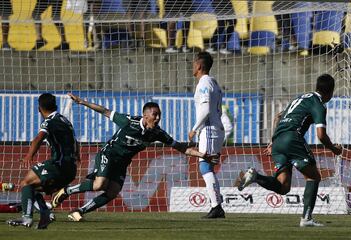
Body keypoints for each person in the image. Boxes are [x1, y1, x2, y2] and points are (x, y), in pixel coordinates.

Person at [51, 93, 216, 221]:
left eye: (159, 115)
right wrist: (82, 102)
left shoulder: (157, 133)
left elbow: (180, 147)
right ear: (145, 116)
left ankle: (79, 211)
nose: (157, 118)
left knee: (113, 191)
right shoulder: (129, 122)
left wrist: (202, 155)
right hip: (109, 154)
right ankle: (66, 190)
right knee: (99, 184)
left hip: (122, 163)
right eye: (155, 115)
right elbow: (105, 111)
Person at [238, 74, 342, 227]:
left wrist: (273, 142)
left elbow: (278, 117)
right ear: (331, 91)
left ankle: (255, 177)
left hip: (278, 140)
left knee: (283, 187)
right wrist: (334, 149)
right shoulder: (318, 104)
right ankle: (306, 219)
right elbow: (321, 135)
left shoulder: (300, 98)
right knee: (313, 177)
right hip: (292, 139)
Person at [7, 93, 79, 229]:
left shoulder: (48, 122)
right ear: (55, 105)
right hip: (71, 170)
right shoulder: (65, 120)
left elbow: (39, 137)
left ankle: (27, 218)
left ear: (39, 108)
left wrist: (29, 155)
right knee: (32, 189)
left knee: (25, 183)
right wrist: (77, 155)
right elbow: (75, 140)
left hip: (58, 166)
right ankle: (45, 214)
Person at [188, 52, 225, 218]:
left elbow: (205, 109)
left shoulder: (204, 82)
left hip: (209, 130)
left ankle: (216, 206)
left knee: (204, 166)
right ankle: (216, 204)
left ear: (199, 66)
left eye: (193, 63)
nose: (192, 66)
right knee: (207, 166)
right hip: (215, 129)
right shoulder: (213, 82)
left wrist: (194, 128)